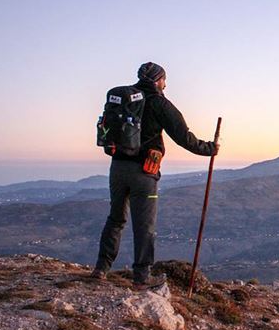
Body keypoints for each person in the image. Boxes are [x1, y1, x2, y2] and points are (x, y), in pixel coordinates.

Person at [92, 62, 219, 287]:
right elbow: (183, 136)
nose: (166, 84)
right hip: (145, 172)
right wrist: (209, 149)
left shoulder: (124, 100)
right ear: (158, 80)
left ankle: (101, 269)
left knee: (115, 219)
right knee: (144, 226)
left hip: (118, 168)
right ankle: (142, 276)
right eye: (164, 80)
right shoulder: (159, 103)